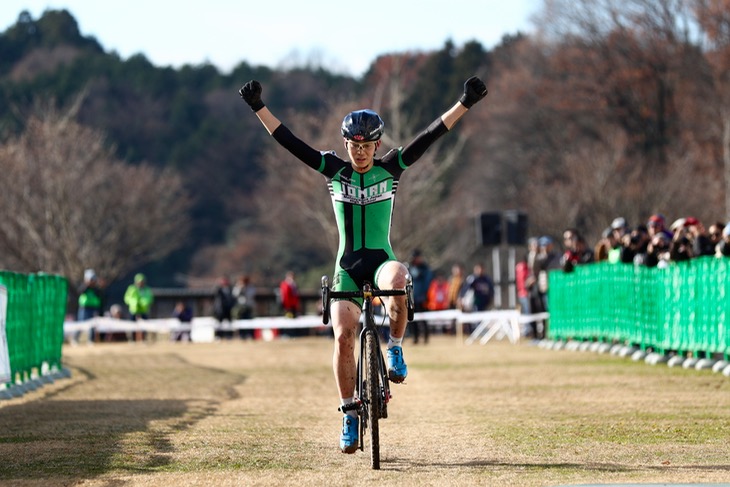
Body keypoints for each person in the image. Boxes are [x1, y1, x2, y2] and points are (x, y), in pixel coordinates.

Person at [239, 75, 487, 454]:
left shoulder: (391, 168)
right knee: (342, 335)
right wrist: (259, 107)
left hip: (380, 262)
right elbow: (289, 142)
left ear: (376, 144)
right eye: (354, 146)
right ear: (346, 145)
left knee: (400, 278)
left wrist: (465, 102)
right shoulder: (333, 169)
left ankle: (396, 347)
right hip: (346, 268)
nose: (360, 152)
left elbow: (432, 133)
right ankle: (349, 413)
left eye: (367, 145)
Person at [408, 249, 433, 345]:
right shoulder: (410, 267)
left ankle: (426, 337)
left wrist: (425, 295)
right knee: (412, 319)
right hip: (412, 297)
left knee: (423, 319)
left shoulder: (425, 268)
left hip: (422, 298)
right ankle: (415, 338)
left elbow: (428, 283)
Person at [123, 273, 154, 341]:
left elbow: (150, 299)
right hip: (133, 310)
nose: (140, 283)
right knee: (132, 325)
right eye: (139, 281)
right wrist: (133, 302)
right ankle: (132, 339)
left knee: (145, 325)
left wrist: (144, 303)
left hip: (144, 310)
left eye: (142, 281)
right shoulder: (131, 289)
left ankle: (144, 339)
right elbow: (127, 298)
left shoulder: (147, 289)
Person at [76, 268, 103, 344]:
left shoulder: (96, 288)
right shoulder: (84, 287)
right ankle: (75, 338)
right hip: (84, 308)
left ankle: (91, 340)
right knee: (81, 324)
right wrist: (87, 284)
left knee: (93, 325)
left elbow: (100, 294)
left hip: (94, 307)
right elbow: (80, 291)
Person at [232, 274, 256, 339]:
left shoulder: (251, 287)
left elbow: (251, 295)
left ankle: (250, 334)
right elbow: (235, 294)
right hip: (240, 307)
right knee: (240, 321)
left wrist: (245, 289)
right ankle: (241, 335)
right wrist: (240, 288)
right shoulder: (238, 286)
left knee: (249, 321)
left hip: (248, 306)